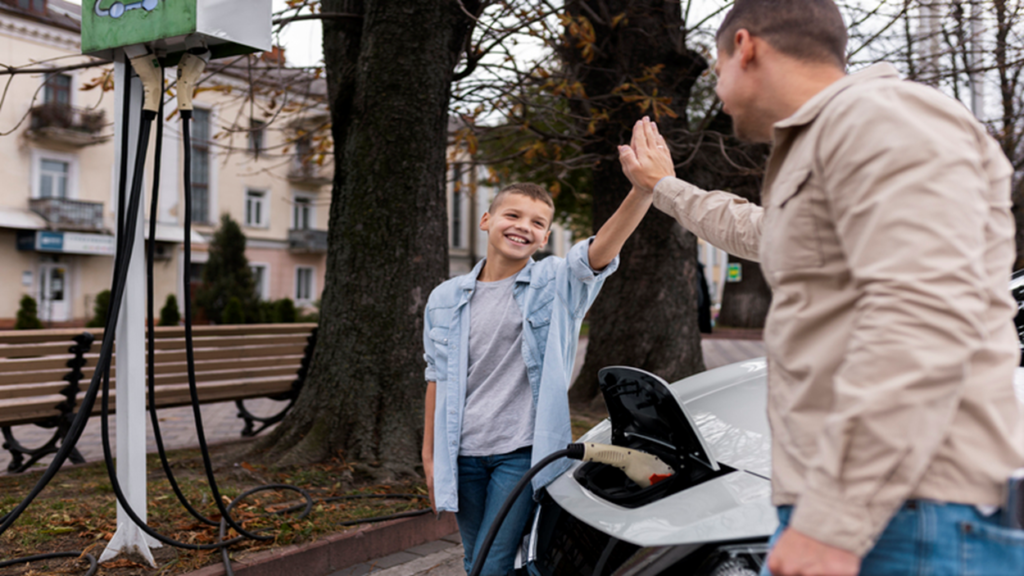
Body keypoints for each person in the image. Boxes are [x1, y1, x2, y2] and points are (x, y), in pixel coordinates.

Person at [617, 0, 1024, 574]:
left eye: (716, 71)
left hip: (912, 517)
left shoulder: (888, 120)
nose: (720, 93)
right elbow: (756, 229)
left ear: (746, 46)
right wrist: (666, 188)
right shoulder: (833, 140)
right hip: (871, 512)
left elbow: (922, 326)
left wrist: (831, 523)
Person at [422, 182, 652, 575]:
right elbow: (437, 377)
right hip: (463, 451)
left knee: (490, 563)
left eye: (537, 222)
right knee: (474, 557)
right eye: (512, 215)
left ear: (545, 236)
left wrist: (642, 191)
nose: (523, 226)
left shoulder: (557, 282)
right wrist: (430, 458)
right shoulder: (445, 297)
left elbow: (597, 255)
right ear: (486, 220)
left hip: (521, 453)